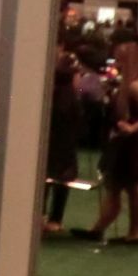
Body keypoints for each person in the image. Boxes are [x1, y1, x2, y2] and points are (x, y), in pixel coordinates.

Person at [73, 29, 138, 245]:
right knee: (120, 187)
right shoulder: (132, 82)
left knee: (131, 188)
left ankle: (132, 233)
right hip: (128, 140)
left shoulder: (136, 86)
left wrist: (133, 128)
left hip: (134, 141)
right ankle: (108, 229)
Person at [42, 37, 83, 234]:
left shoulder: (66, 62)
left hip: (60, 133)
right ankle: (50, 218)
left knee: (53, 174)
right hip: (62, 135)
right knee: (56, 174)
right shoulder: (68, 65)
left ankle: (50, 218)